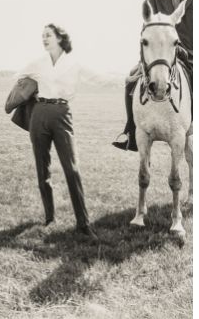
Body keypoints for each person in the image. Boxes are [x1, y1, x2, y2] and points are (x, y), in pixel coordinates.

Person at [15, 23, 122, 241]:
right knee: (42, 169)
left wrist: (127, 79)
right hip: (39, 115)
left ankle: (83, 224)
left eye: (48, 35)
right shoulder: (38, 62)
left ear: (60, 38)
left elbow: (100, 79)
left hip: (62, 114)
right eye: (42, 35)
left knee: (72, 169)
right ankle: (49, 218)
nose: (44, 39)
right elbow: (19, 77)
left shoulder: (74, 63)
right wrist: (30, 91)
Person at [112, 0, 193, 151]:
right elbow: (146, 29)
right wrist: (144, 59)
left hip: (192, 52)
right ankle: (130, 131)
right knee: (131, 81)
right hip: (162, 54)